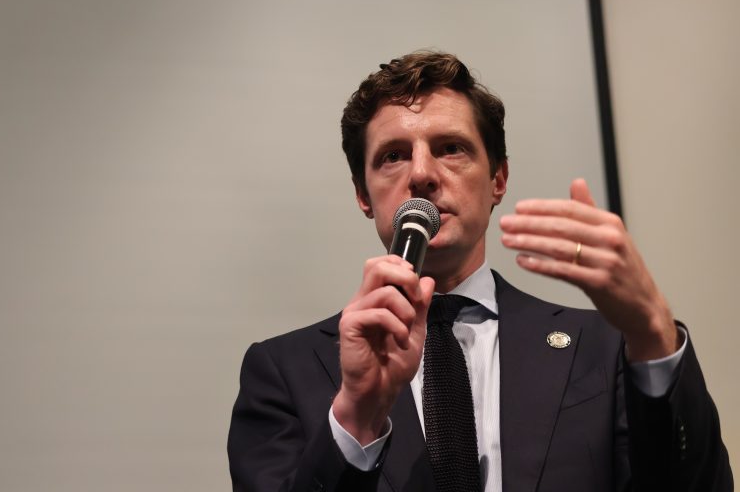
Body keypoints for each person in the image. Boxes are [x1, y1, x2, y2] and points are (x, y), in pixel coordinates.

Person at [227, 52, 732, 491]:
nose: (421, 174)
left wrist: (654, 334)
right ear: (363, 195)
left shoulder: (604, 350)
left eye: (451, 148)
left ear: (498, 179)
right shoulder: (282, 372)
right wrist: (357, 417)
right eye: (393, 156)